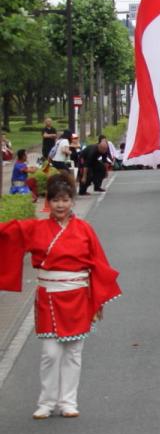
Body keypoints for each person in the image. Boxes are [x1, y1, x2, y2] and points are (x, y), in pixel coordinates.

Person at [0, 172, 121, 418]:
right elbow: (8, 233)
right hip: (49, 297)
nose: (60, 205)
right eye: (56, 200)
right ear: (49, 202)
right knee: (50, 353)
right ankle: (46, 401)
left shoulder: (85, 229)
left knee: (73, 351)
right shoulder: (36, 228)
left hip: (78, 296)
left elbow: (98, 264)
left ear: (73, 201)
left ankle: (68, 401)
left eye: (65, 200)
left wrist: (97, 299)